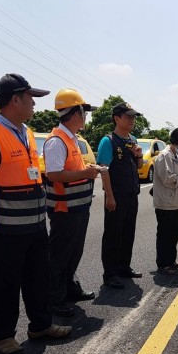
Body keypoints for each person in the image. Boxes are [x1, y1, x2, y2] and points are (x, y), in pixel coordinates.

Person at [0, 73, 71, 354]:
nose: (34, 105)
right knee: (6, 281)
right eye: (31, 99)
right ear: (15, 99)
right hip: (4, 228)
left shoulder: (26, 133)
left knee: (38, 277)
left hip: (34, 225)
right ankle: (3, 336)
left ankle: (40, 325)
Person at [44, 89, 104, 317]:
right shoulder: (57, 141)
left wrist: (87, 172)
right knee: (59, 255)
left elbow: (72, 171)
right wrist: (86, 174)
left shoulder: (73, 140)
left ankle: (70, 289)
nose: (86, 117)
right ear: (76, 113)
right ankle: (56, 300)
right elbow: (54, 174)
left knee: (74, 251)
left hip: (78, 206)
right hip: (64, 208)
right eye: (84, 112)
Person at [96, 102, 144, 289]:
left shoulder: (132, 139)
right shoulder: (108, 141)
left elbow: (139, 168)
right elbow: (103, 170)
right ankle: (110, 274)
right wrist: (109, 195)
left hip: (132, 194)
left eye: (133, 117)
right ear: (117, 118)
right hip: (116, 195)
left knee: (128, 233)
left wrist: (139, 155)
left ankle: (124, 267)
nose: (132, 120)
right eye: (128, 116)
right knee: (113, 235)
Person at [152, 128, 178, 274]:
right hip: (165, 203)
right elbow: (167, 179)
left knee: (174, 233)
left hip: (177, 202)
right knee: (165, 234)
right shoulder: (164, 156)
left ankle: (171, 260)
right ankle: (163, 263)